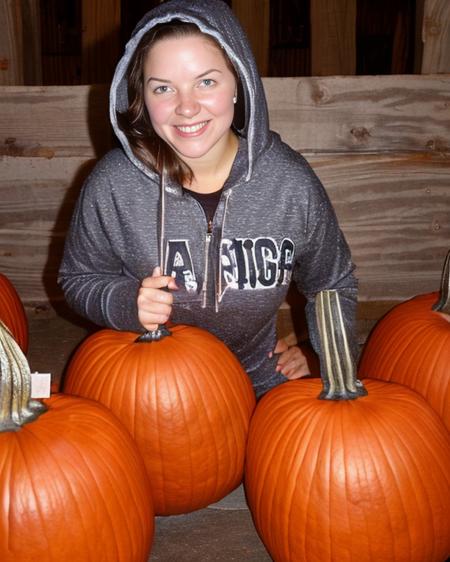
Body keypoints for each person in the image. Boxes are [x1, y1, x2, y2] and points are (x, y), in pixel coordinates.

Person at [58, 0, 358, 399]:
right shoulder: (112, 184)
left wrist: (322, 355)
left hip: (258, 379)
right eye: (163, 88)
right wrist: (123, 302)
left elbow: (332, 283)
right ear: (141, 98)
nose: (186, 107)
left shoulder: (290, 183)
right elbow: (78, 278)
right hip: (148, 388)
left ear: (239, 82)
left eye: (206, 82)